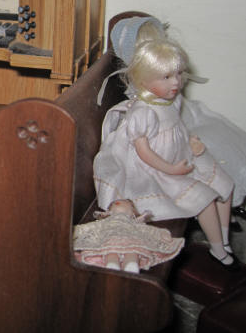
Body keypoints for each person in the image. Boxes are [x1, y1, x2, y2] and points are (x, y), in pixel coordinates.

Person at [94, 18, 237, 268]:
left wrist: (193, 144)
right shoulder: (142, 112)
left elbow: (177, 128)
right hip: (154, 169)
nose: (176, 83)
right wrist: (171, 170)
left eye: (178, 75)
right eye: (167, 77)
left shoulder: (171, 100)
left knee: (224, 183)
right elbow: (144, 153)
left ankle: (223, 240)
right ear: (143, 80)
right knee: (204, 198)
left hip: (178, 155)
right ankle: (218, 251)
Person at [73, 199, 184, 273]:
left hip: (131, 237)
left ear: (133, 213)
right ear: (107, 212)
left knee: (133, 249)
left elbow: (148, 230)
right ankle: (111, 264)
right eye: (114, 203)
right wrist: (74, 231)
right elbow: (88, 227)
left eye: (125, 202)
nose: (118, 202)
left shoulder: (133, 223)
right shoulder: (104, 222)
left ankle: (131, 264)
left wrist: (161, 235)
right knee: (110, 250)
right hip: (110, 237)